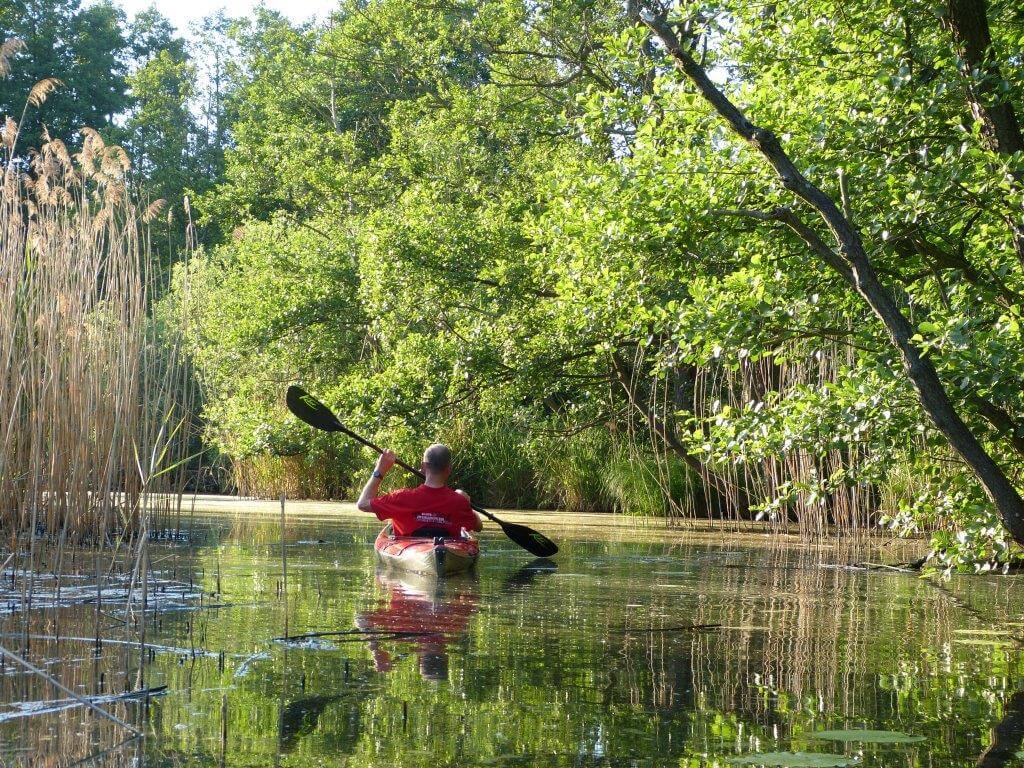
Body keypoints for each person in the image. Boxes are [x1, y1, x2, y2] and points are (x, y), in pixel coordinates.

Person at [356, 443, 482, 538]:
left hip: (410, 554)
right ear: (449, 469)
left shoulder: (401, 498)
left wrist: (380, 470)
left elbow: (362, 504)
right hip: (447, 552)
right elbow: (478, 526)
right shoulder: (459, 502)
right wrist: (466, 502)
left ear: (423, 467)